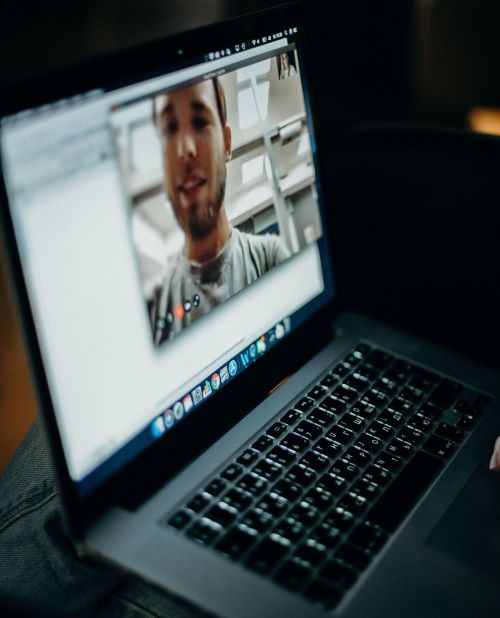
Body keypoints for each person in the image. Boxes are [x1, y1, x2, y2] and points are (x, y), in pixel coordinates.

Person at [151, 77, 290, 345]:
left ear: (227, 142)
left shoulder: (269, 259)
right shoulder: (156, 308)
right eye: (170, 129)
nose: (185, 151)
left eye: (200, 122)